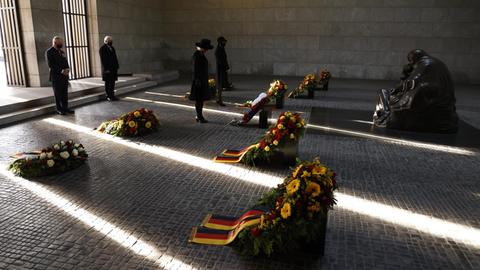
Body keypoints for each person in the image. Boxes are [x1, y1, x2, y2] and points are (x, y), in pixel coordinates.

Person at [373, 49, 458, 133]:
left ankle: (385, 115)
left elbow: (412, 81)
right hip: (445, 107)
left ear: (414, 59)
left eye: (411, 61)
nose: (411, 64)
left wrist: (396, 89)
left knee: (385, 93)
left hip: (429, 104)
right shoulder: (438, 63)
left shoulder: (424, 63)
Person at [46, 36, 73, 115]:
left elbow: (65, 61)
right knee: (58, 94)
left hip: (64, 76)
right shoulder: (49, 52)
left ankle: (65, 108)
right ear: (55, 43)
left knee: (65, 93)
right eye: (60, 43)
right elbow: (51, 65)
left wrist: (67, 69)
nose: (62, 44)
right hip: (56, 76)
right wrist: (61, 71)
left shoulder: (61, 51)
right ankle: (59, 109)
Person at [191, 39, 214, 123]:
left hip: (202, 80)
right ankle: (199, 116)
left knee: (201, 100)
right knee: (199, 99)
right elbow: (195, 69)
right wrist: (197, 80)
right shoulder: (197, 55)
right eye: (206, 48)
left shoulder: (201, 54)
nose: (207, 50)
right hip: (198, 81)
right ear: (202, 47)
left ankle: (199, 115)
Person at [100, 36, 120, 101]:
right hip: (107, 69)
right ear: (106, 41)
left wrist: (117, 66)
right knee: (108, 83)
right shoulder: (102, 49)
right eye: (110, 41)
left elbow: (115, 58)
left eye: (111, 40)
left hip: (113, 69)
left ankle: (112, 95)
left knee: (112, 82)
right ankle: (108, 96)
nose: (111, 42)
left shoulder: (112, 48)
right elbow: (103, 60)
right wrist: (106, 69)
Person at [215, 36, 230, 106]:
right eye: (223, 42)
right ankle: (219, 100)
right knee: (220, 85)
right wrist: (225, 67)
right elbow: (221, 61)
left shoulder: (222, 49)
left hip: (222, 69)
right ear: (220, 42)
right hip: (220, 69)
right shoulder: (218, 50)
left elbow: (224, 59)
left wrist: (227, 67)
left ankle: (219, 99)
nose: (225, 43)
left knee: (221, 84)